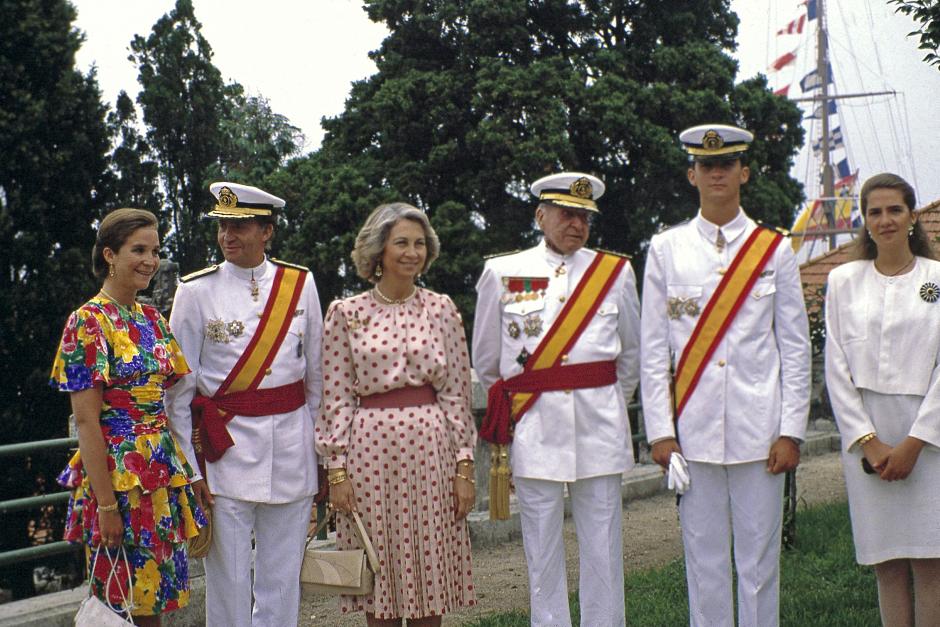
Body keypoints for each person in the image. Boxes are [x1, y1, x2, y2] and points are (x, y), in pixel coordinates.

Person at [640, 125, 811, 627]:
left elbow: (795, 348)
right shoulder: (666, 249)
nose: (717, 173)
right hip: (692, 434)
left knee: (759, 565)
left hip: (761, 433)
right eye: (706, 165)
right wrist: (661, 432)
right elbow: (654, 351)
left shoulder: (773, 250)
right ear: (692, 174)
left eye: (727, 164)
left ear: (744, 172)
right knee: (704, 561)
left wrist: (791, 430)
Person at [472, 172, 641, 627]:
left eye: (585, 216)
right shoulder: (502, 272)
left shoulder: (615, 272)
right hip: (535, 430)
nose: (577, 223)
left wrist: (605, 402)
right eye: (567, 213)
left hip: (599, 429)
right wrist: (517, 414)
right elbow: (487, 363)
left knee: (604, 548)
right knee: (541, 551)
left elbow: (631, 357)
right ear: (540, 215)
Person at [165, 182, 323, 627]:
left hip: (292, 451)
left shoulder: (300, 284)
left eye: (240, 226)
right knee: (229, 584)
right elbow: (179, 394)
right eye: (222, 226)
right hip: (225, 454)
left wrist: (322, 457)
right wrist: (191, 470)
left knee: (281, 581)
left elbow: (318, 381)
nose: (227, 236)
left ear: (267, 231)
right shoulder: (195, 292)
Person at [316, 202, 476, 626]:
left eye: (420, 243)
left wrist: (464, 468)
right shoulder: (346, 314)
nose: (412, 252)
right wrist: (336, 471)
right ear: (378, 250)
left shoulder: (442, 309)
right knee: (378, 573)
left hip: (432, 453)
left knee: (429, 577)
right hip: (370, 456)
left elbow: (457, 392)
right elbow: (335, 397)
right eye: (401, 242)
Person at [51, 208, 206, 626]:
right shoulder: (86, 323)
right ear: (109, 255)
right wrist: (105, 505)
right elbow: (86, 423)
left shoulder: (153, 319)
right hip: (116, 480)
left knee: (155, 603)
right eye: (138, 250)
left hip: (160, 476)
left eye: (154, 251)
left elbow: (169, 404)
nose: (150, 261)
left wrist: (188, 475)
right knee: (121, 603)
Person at [824, 172, 940, 626]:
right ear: (864, 220)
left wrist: (917, 441)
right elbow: (836, 366)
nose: (886, 219)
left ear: (912, 216)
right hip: (866, 434)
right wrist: (867, 441)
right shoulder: (843, 281)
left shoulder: (936, 281)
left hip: (928, 438)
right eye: (875, 211)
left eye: (895, 210)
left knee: (930, 561)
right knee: (887, 563)